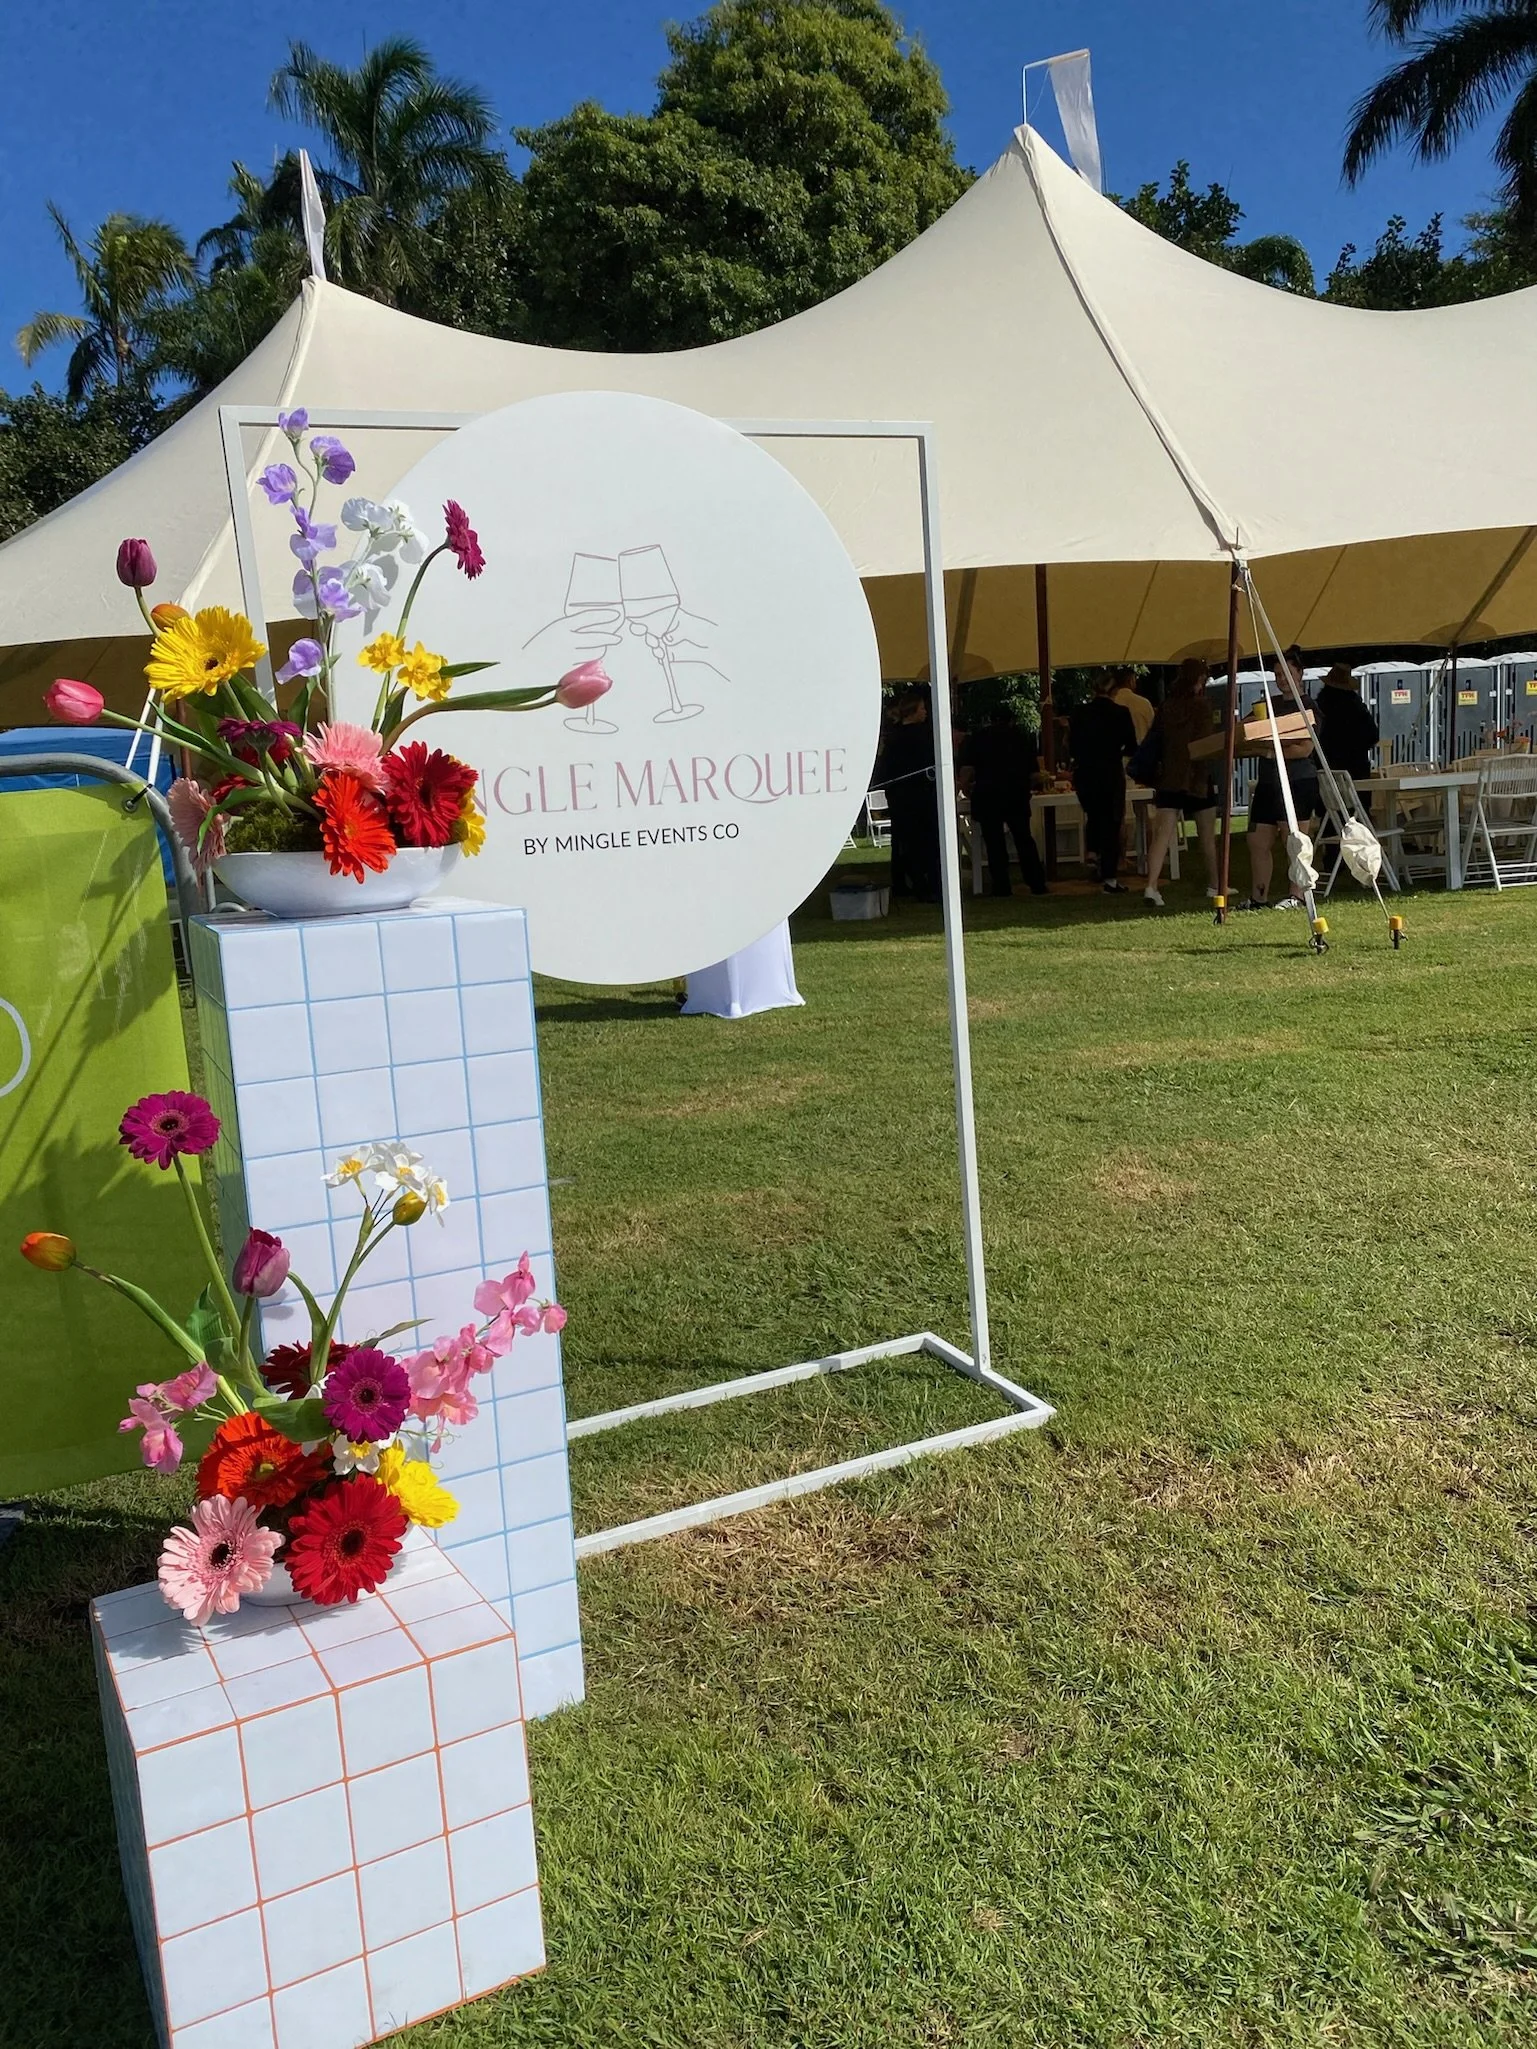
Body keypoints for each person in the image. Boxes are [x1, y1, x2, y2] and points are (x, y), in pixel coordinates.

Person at [1241, 654, 1322, 908]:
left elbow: (1305, 749)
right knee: (1257, 840)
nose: (1282, 680)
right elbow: (1244, 732)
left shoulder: (1309, 707)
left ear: (1300, 673)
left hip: (1298, 780)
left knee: (1294, 840)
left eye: (1287, 674)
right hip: (1268, 781)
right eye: (1277, 675)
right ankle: (1259, 897)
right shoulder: (1268, 705)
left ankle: (1297, 896)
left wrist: (1269, 752)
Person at [1141, 659, 1220, 908]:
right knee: (1207, 836)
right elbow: (1207, 743)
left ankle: (1151, 886)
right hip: (1197, 777)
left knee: (1162, 835)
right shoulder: (1203, 706)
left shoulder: (1166, 707)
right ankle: (1216, 885)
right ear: (1199, 680)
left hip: (1170, 777)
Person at [959, 701, 1048, 896]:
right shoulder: (1021, 738)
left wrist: (966, 789)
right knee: (1023, 839)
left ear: (990, 720)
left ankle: (1001, 886)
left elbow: (967, 771)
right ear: (1012, 720)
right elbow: (1034, 774)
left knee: (994, 842)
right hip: (1015, 794)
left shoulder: (978, 738)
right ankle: (1036, 883)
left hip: (987, 794)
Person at [1069, 676, 1138, 890]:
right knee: (1111, 822)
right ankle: (1109, 875)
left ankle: (1092, 852)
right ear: (1115, 691)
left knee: (1094, 815)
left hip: (1086, 773)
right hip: (1110, 772)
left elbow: (1071, 746)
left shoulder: (1079, 714)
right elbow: (1131, 746)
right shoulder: (1120, 713)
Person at [878, 686, 939, 900]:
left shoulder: (893, 738)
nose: (925, 712)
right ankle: (926, 885)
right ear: (913, 711)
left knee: (902, 842)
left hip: (899, 798)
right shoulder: (923, 737)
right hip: (918, 797)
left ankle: (902, 883)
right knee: (924, 841)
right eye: (922, 708)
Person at [1315, 663, 1379, 810]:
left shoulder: (1319, 707)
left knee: (1330, 823)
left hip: (1326, 784)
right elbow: (1373, 735)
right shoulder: (1356, 708)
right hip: (1356, 779)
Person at [1109, 665, 1155, 746]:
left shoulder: (1111, 702)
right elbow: (1153, 729)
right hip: (1142, 750)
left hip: (1117, 751)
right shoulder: (1143, 703)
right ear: (1130, 681)